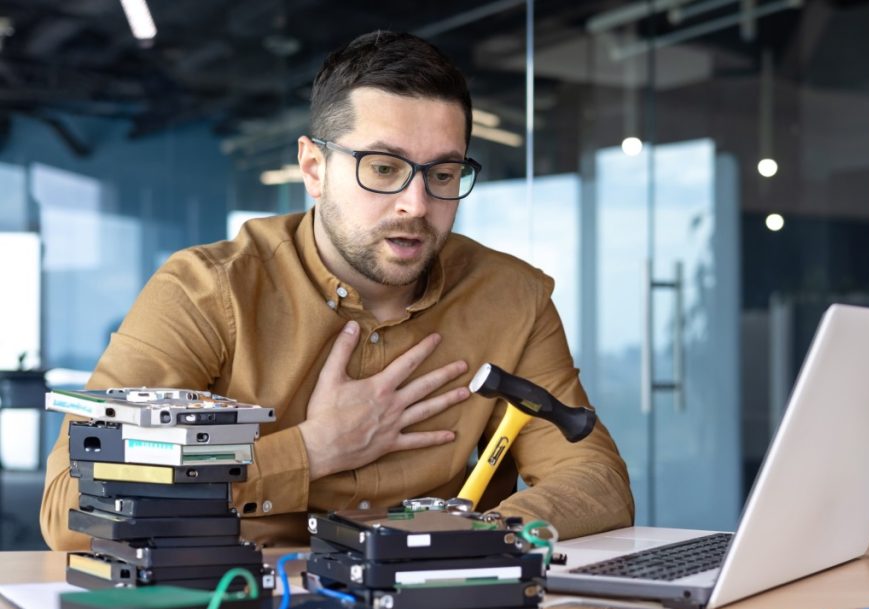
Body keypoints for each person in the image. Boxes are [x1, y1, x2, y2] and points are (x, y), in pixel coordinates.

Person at [40, 30, 634, 550]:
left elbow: (593, 477)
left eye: (444, 174)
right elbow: (71, 506)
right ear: (313, 169)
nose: (416, 204)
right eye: (382, 168)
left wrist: (466, 540)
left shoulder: (512, 297)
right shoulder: (204, 292)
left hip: (441, 607)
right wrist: (309, 451)